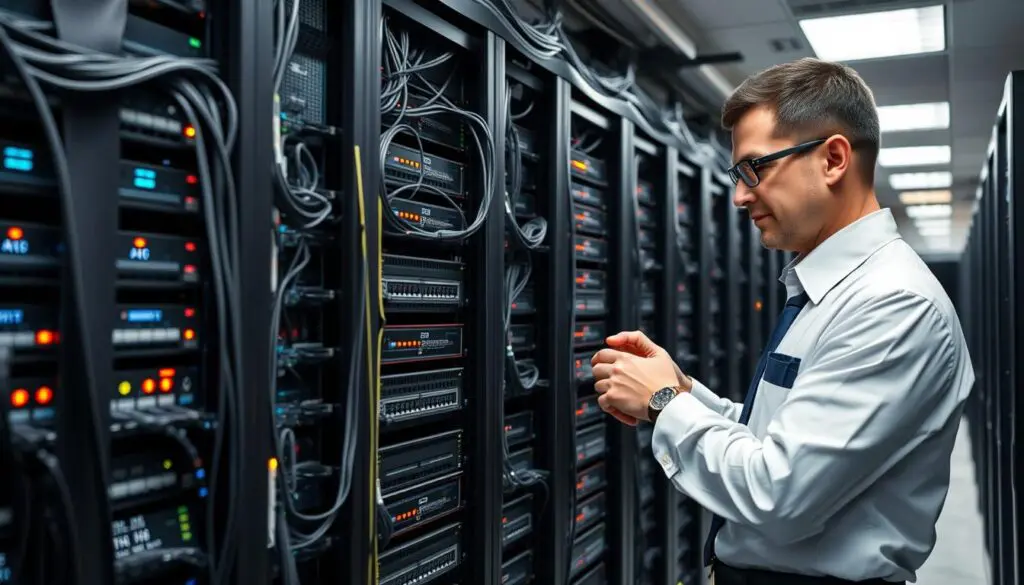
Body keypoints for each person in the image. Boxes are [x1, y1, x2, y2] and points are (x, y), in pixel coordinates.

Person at [590, 57, 975, 585]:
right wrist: (683, 390)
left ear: (833, 158)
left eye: (756, 168)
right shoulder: (832, 291)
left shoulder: (893, 304)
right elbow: (776, 438)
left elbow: (778, 491)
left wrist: (664, 405)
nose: (741, 195)